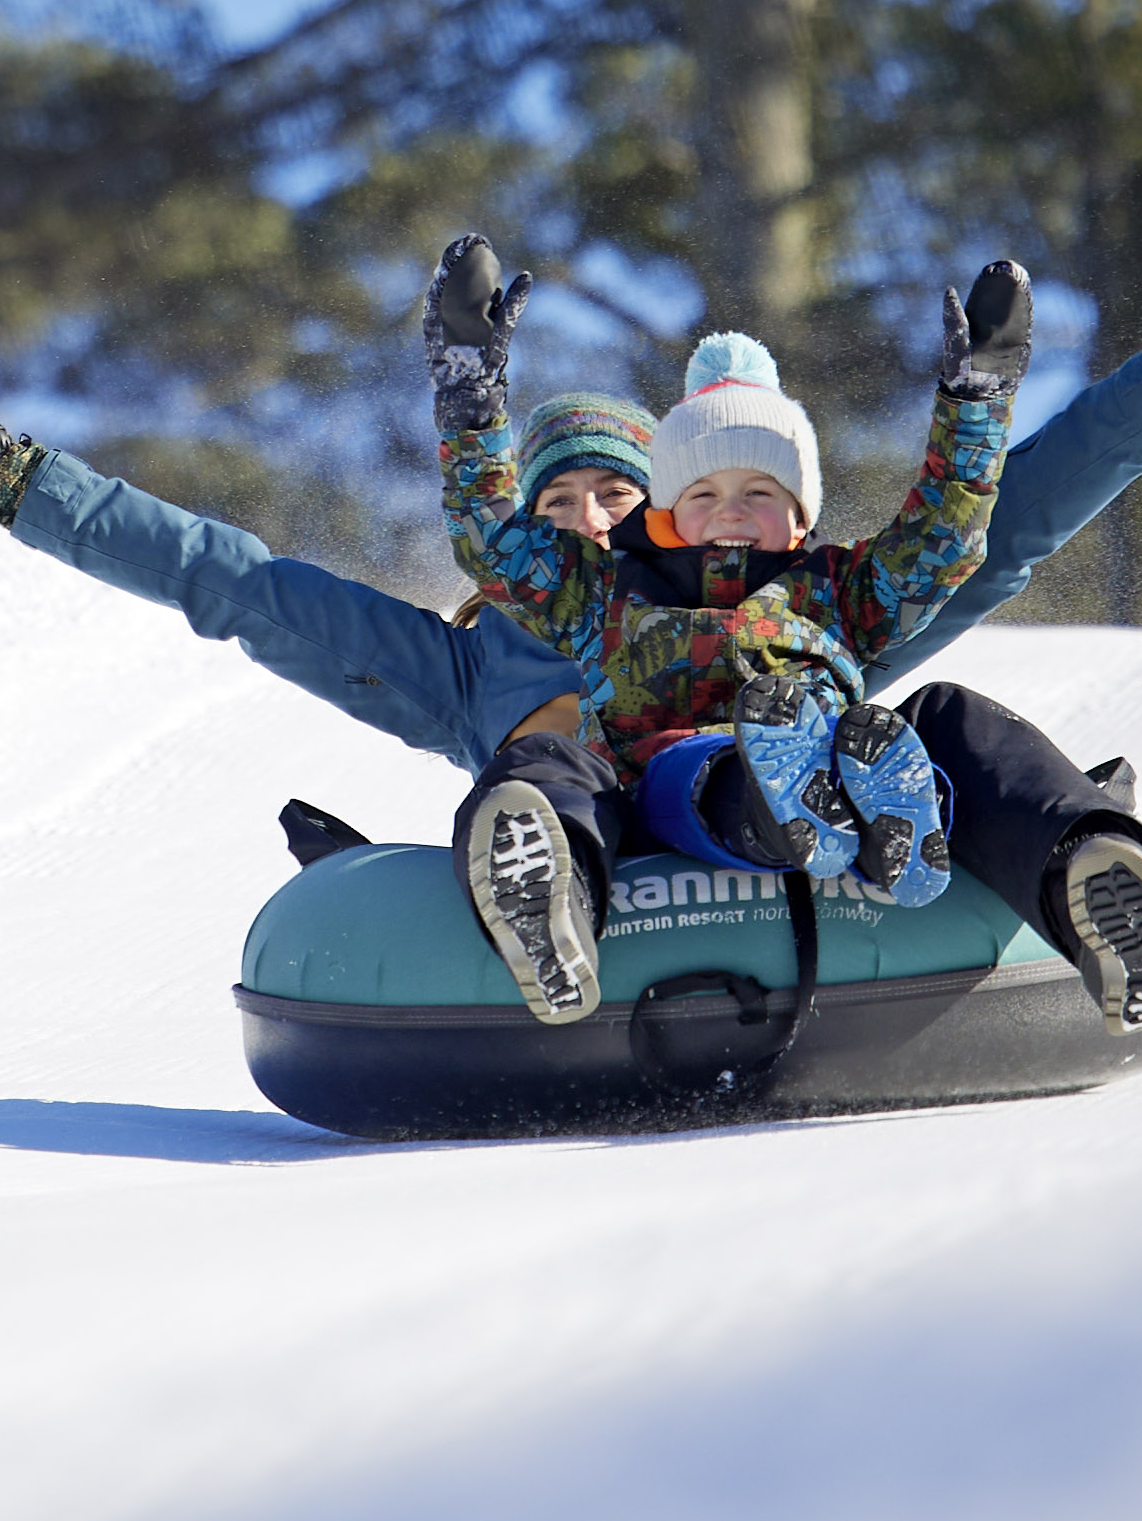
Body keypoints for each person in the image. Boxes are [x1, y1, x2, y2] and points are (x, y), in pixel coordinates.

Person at [0, 241, 1142, 1038]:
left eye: (622, 493)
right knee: (544, 756)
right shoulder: (471, 658)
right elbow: (228, 578)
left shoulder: (791, 605)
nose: (596, 516)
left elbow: (1006, 520)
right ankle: (534, 881)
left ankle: (1072, 858)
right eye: (566, 501)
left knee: (956, 722)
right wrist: (16, 481)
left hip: (799, 768)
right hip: (599, 812)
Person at [427, 235, 1024, 1025]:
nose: (734, 509)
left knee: (884, 726)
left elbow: (946, 533)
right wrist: (473, 404)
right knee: (547, 758)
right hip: (661, 782)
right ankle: (551, 896)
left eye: (761, 489)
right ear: (667, 509)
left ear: (804, 511)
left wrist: (975, 405)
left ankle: (889, 811)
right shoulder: (602, 587)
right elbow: (490, 536)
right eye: (704, 490)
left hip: (800, 746)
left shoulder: (841, 589)